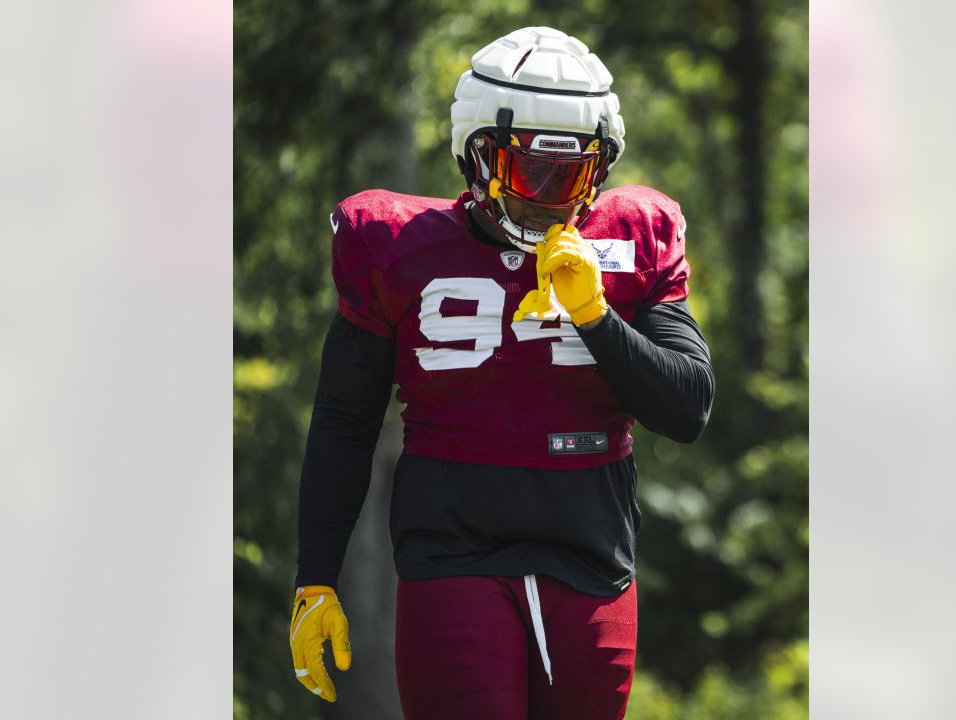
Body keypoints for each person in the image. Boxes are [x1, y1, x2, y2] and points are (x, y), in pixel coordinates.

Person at [288, 26, 715, 720]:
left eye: (569, 173)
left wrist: (596, 316)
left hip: (592, 549)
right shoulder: (394, 245)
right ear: (477, 153)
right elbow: (345, 418)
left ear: (600, 168)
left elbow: (688, 407)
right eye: (527, 171)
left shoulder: (633, 237)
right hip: (453, 546)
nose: (548, 197)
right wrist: (316, 577)